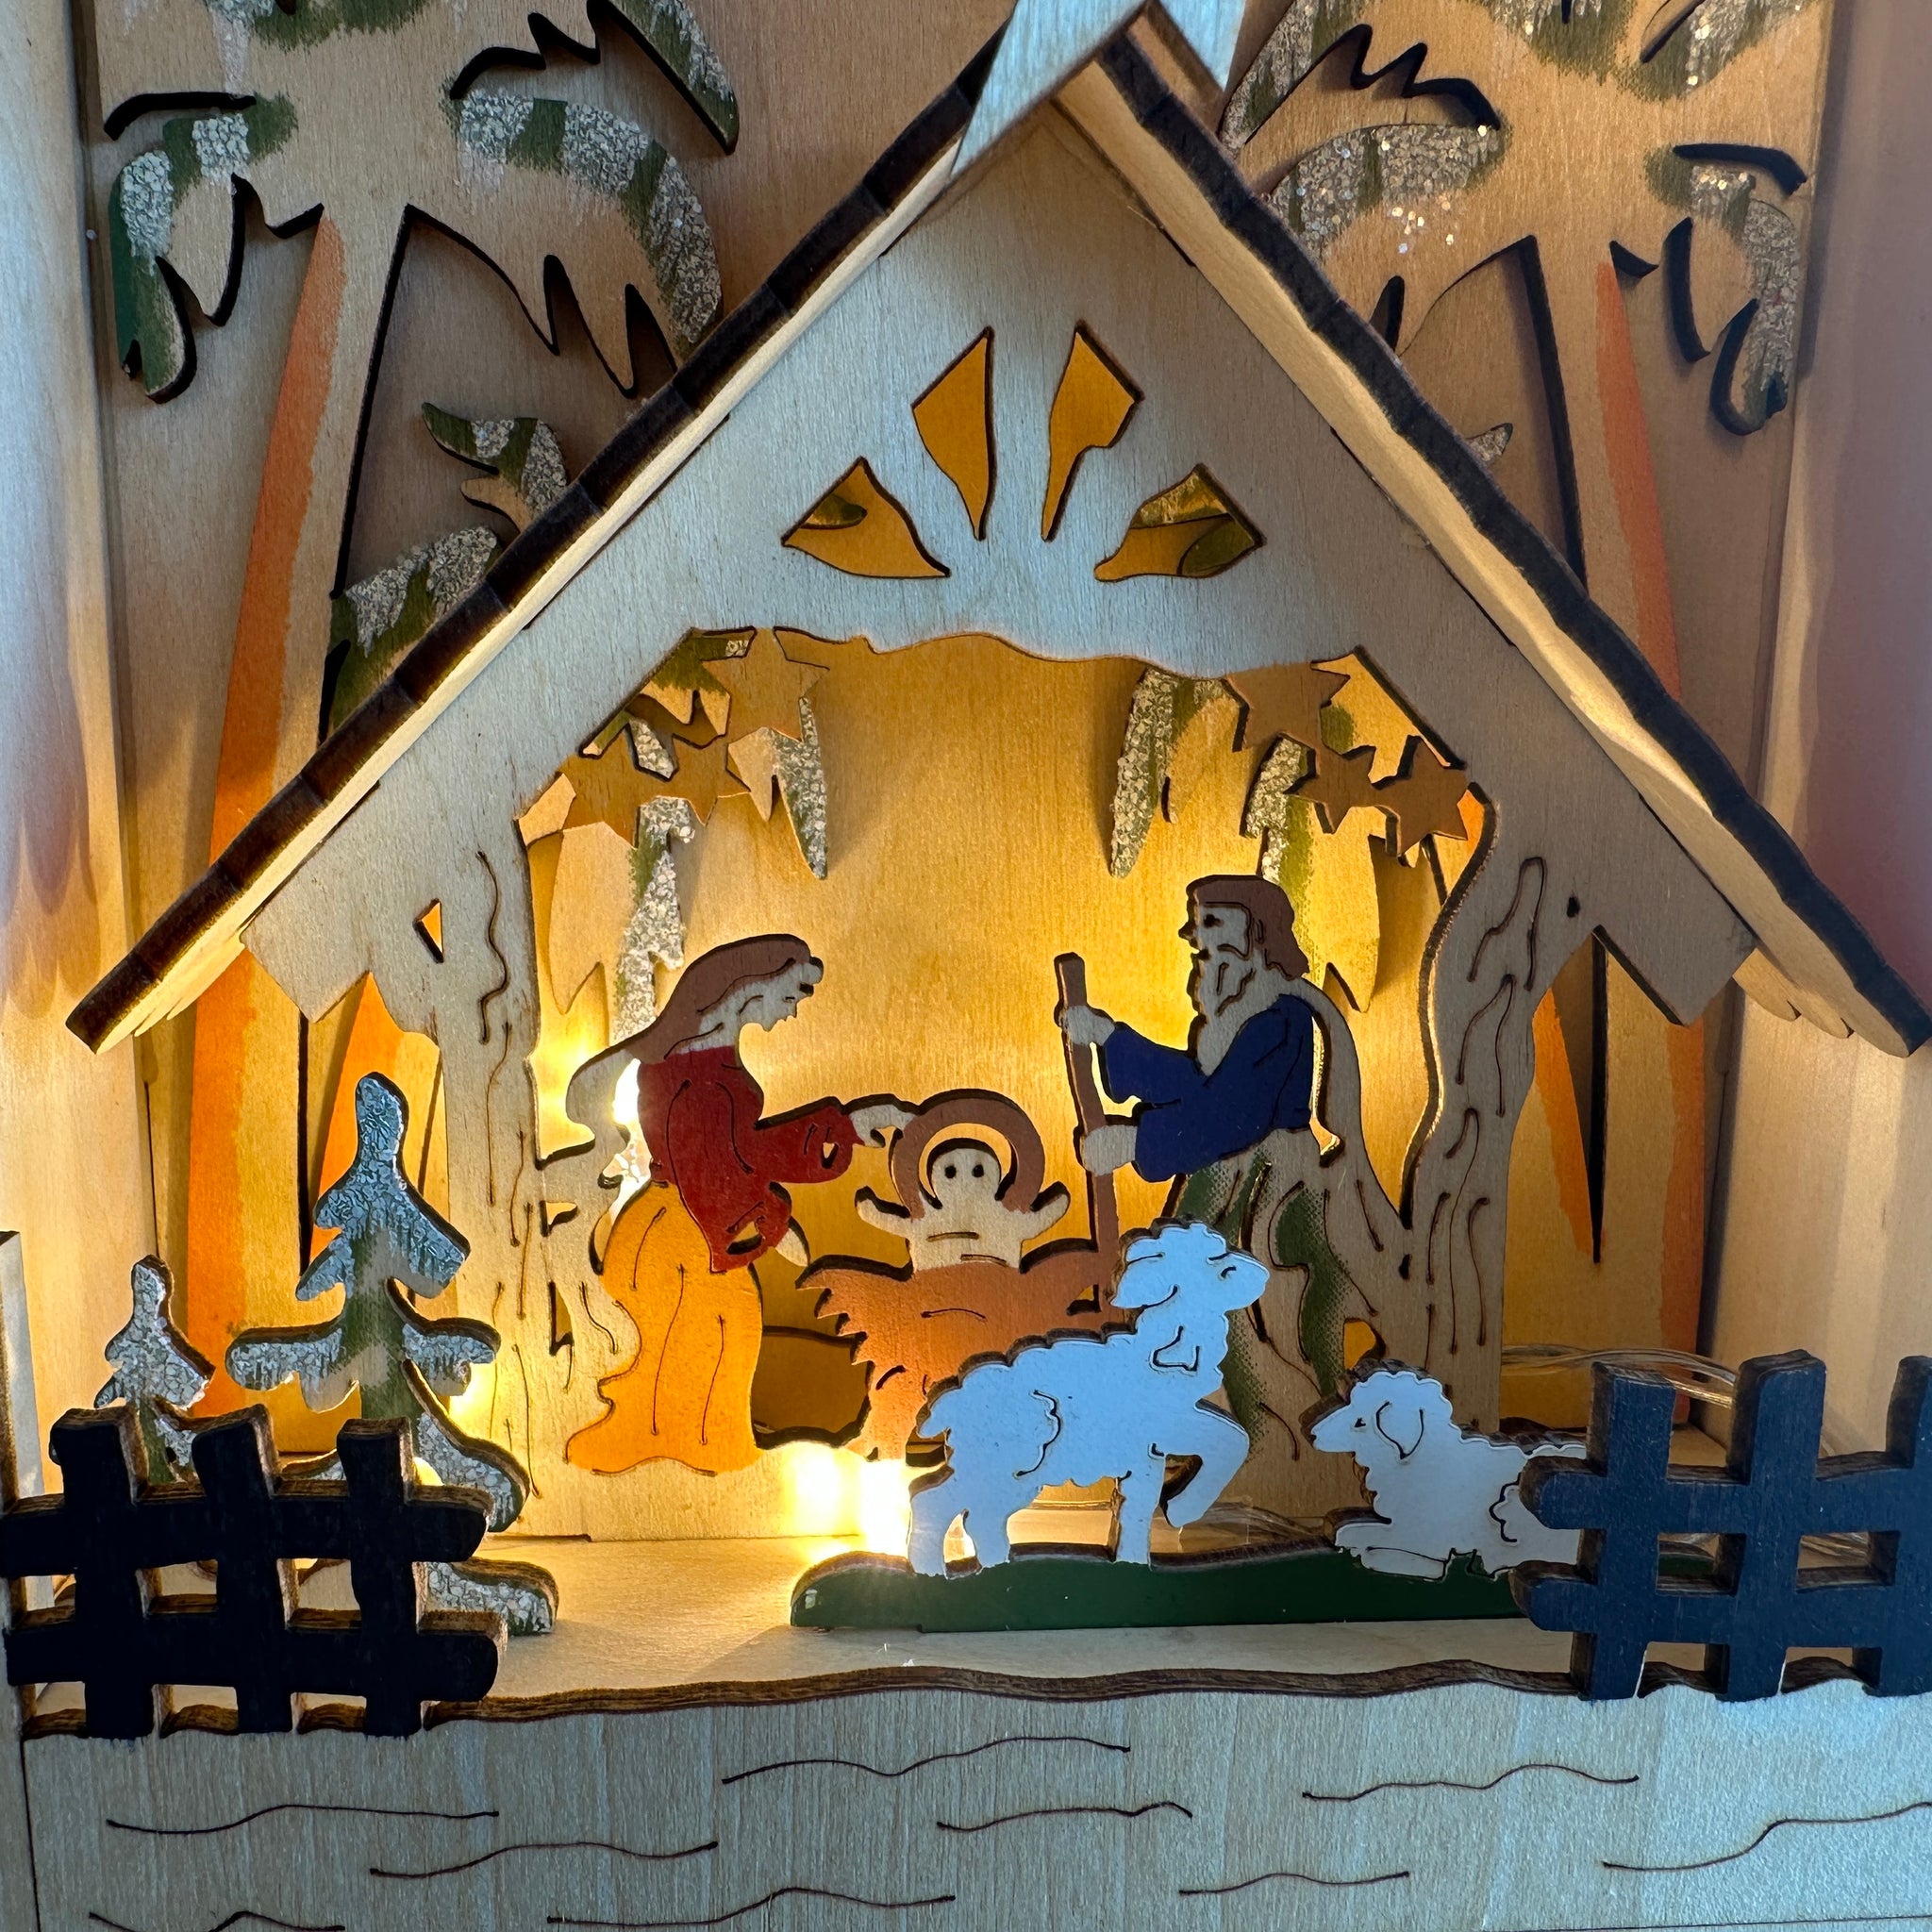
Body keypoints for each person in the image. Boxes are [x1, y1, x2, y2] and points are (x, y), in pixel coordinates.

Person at [567, 936, 910, 1474]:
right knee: (706, 1338)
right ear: (750, 989)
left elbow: (740, 1148)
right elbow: (718, 1165)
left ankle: (701, 1452)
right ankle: (687, 1456)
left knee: (718, 1340)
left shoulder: (706, 1060)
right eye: (790, 994)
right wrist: (770, 1216)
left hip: (682, 1224)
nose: (791, 1010)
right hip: (683, 1236)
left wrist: (844, 1126)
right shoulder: (697, 1074)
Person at [1061, 875, 1316, 1193]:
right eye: (1204, 954)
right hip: (1228, 1174)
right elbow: (1195, 1086)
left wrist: (1133, 1143)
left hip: (1273, 1183)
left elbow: (1230, 1119)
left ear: (1256, 936)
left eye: (1215, 943)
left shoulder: (1279, 1019)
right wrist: (1107, 1037)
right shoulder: (1236, 1010)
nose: (1203, 959)